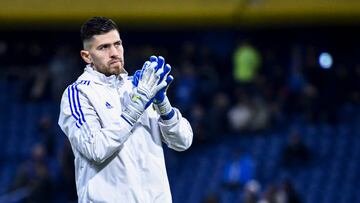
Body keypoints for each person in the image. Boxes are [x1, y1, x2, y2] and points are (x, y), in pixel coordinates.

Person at [58, 16, 193, 202]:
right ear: (86, 56)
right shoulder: (78, 94)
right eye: (103, 47)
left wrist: (163, 104)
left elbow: (183, 141)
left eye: (117, 44)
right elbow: (95, 148)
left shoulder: (140, 87)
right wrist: (137, 105)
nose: (114, 52)